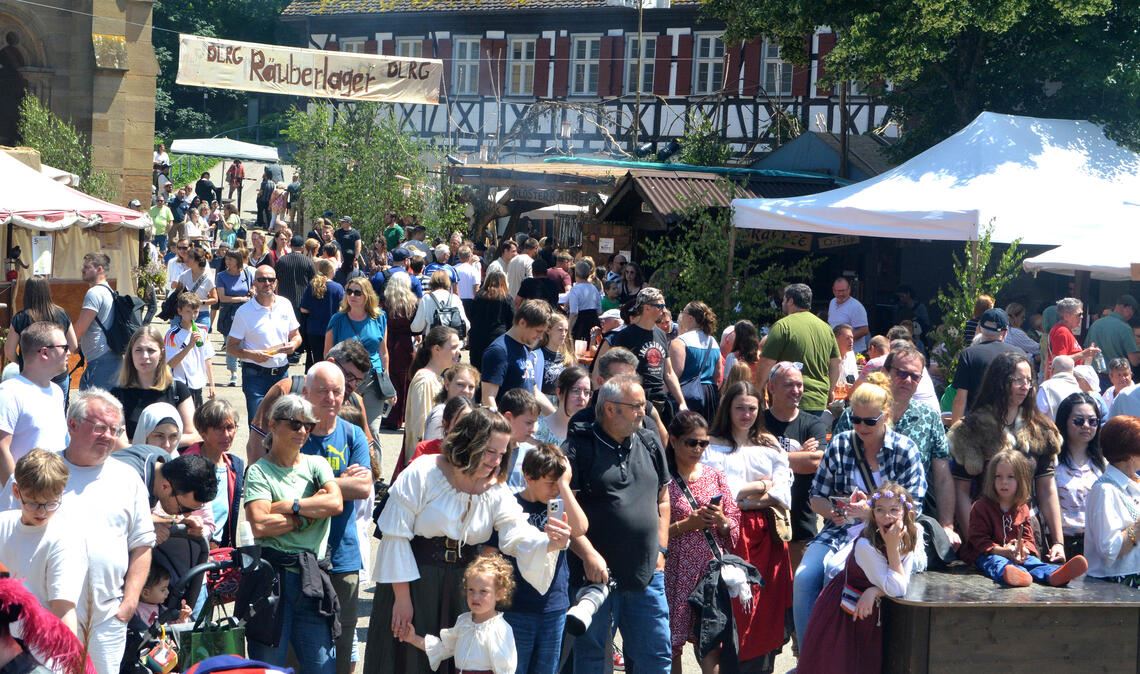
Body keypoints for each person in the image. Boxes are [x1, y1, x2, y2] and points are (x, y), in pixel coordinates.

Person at [363, 408, 570, 674]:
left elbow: (516, 531)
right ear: (469, 443)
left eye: (502, 454)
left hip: (463, 588)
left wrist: (549, 543)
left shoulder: (495, 489)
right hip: (415, 582)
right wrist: (402, 599)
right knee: (407, 659)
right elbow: (395, 537)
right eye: (490, 451)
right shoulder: (425, 472)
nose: (496, 461)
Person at [794, 374, 927, 648]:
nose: (861, 427)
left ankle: (839, 649)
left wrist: (870, 513)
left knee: (835, 571)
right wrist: (835, 510)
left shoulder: (904, 450)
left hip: (888, 536)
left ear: (886, 415)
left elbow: (913, 508)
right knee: (804, 577)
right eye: (855, 419)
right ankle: (809, 654)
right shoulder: (841, 444)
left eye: (870, 421)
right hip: (839, 530)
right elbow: (816, 497)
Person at [562, 375, 670, 671]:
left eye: (644, 405)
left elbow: (663, 498)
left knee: (655, 657)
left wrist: (661, 549)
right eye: (636, 406)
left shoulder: (649, 440)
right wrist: (588, 554)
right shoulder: (578, 447)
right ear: (610, 409)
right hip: (594, 579)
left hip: (646, 575)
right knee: (593, 660)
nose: (643, 412)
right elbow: (561, 512)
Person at [243, 395, 342, 672]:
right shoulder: (259, 471)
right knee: (269, 669)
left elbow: (335, 503)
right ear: (273, 424)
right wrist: (306, 516)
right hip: (273, 581)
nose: (303, 431)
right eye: (295, 424)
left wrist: (290, 506)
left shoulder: (316, 464)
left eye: (308, 426)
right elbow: (260, 524)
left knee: (323, 668)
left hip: (312, 580)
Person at [59, 390, 155, 674]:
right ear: (72, 425)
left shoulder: (127, 478)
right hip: (47, 615)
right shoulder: (42, 472)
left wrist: (130, 602)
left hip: (106, 619)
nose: (108, 436)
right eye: (100, 427)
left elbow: (142, 544)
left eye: (115, 430)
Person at [702, 382, 792, 667]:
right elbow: (718, 493)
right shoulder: (711, 445)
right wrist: (760, 487)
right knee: (732, 605)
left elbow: (783, 493)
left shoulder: (769, 444)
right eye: (739, 407)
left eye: (752, 408)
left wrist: (746, 495)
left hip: (767, 535)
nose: (746, 414)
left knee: (764, 605)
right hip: (727, 532)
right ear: (727, 409)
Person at [948, 351, 1066, 563]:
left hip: (1026, 532)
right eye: (1017, 380)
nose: (1025, 386)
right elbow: (961, 492)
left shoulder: (1041, 430)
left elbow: (1047, 489)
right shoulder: (970, 429)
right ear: (999, 381)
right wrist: (977, 543)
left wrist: (1058, 542)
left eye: (1028, 380)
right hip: (984, 530)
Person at [834, 345, 957, 540]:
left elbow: (942, 477)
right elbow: (834, 470)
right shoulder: (855, 416)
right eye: (901, 373)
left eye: (914, 376)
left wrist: (947, 525)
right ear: (885, 372)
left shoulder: (929, 417)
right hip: (853, 521)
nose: (908, 380)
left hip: (907, 522)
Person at [797, 482, 918, 674]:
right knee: (841, 665)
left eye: (894, 510)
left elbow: (904, 579)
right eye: (880, 510)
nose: (887, 516)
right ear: (873, 513)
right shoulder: (866, 545)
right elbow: (897, 588)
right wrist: (892, 548)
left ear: (906, 513)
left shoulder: (908, 536)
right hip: (845, 612)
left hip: (869, 608)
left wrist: (874, 591)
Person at [487, 444, 587, 674]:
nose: (555, 489)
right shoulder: (511, 506)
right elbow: (490, 554)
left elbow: (581, 528)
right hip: (516, 606)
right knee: (512, 669)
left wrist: (564, 486)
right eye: (550, 483)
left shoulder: (560, 506)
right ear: (529, 477)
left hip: (554, 606)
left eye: (558, 482)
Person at [299, 364, 372, 674]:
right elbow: (285, 487)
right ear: (306, 393)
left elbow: (363, 487)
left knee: (342, 638)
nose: (330, 398)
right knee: (300, 640)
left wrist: (315, 487)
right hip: (300, 555)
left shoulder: (353, 434)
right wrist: (341, 482)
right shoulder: (295, 433)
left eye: (337, 391)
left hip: (343, 555)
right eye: (322, 391)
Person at [665, 411, 740, 672]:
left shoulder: (714, 475)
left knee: (710, 643)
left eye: (703, 443)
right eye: (691, 442)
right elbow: (651, 530)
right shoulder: (662, 479)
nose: (698, 449)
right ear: (673, 440)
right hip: (673, 572)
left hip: (709, 572)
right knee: (670, 645)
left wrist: (721, 520)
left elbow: (734, 521)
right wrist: (687, 524)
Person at [959, 450, 1088, 587]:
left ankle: (1054, 575)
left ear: (1020, 480)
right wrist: (1003, 551)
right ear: (991, 479)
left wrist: (1023, 549)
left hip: (1015, 554)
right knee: (996, 562)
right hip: (989, 554)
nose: (1004, 482)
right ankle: (1015, 575)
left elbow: (1028, 538)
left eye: (1010, 477)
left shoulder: (1022, 508)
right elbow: (978, 540)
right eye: (998, 476)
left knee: (1033, 562)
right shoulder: (981, 507)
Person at [0, 450, 84, 634]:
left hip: (38, 643)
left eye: (51, 503)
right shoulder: (3, 523)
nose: (42, 512)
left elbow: (63, 609)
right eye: (33, 502)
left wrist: (68, 650)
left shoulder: (65, 539)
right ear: (16, 491)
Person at [395, 553, 518, 674]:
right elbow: (444, 649)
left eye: (483, 591)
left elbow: (505, 670)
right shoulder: (464, 621)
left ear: (499, 594)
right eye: (471, 590)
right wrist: (413, 639)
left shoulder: (500, 630)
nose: (475, 597)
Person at [764, 361, 829, 562]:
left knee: (799, 580)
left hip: (801, 519)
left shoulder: (813, 424)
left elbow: (815, 461)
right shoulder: (758, 422)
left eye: (799, 385)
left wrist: (767, 456)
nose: (796, 390)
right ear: (771, 387)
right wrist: (799, 454)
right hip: (763, 518)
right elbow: (749, 461)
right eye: (789, 385)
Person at [593, 287, 686, 422]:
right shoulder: (625, 336)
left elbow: (669, 373)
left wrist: (682, 402)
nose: (664, 310)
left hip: (659, 399)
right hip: (635, 401)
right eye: (660, 306)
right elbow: (612, 371)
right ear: (647, 308)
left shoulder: (661, 334)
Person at [226, 265, 302, 424]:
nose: (267, 283)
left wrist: (293, 345)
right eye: (262, 279)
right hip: (255, 376)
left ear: (276, 283)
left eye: (271, 280)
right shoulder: (244, 312)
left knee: (282, 424)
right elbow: (231, 347)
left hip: (281, 373)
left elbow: (296, 336)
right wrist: (252, 355)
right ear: (254, 283)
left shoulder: (285, 304)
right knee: (258, 425)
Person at [0, 322, 69, 491]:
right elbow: (1, 448)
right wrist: (17, 495)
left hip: (51, 494)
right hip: (24, 497)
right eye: (64, 347)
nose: (69, 352)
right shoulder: (9, 392)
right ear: (44, 352)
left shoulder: (57, 391)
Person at [758, 284, 842, 415]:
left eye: (784, 300)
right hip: (818, 400)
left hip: (788, 400)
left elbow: (766, 363)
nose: (782, 303)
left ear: (790, 301)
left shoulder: (782, 326)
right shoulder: (826, 328)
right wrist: (830, 390)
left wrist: (757, 390)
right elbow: (836, 363)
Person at [326, 277, 390, 440]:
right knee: (346, 427)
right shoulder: (337, 319)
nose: (352, 296)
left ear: (367, 295)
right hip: (346, 381)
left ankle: (373, 458)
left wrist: (386, 381)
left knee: (372, 431)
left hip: (373, 380)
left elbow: (383, 352)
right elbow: (327, 354)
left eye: (357, 292)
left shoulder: (379, 317)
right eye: (349, 292)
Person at [112, 326, 198, 447]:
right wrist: (152, 444)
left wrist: (152, 442)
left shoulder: (178, 390)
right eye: (138, 350)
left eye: (151, 350)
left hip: (171, 458)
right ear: (131, 354)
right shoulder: (117, 395)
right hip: (134, 458)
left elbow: (193, 436)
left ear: (162, 353)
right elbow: (120, 442)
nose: (144, 356)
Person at [181, 399, 245, 548]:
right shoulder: (186, 466)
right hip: (191, 548)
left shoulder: (234, 466)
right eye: (219, 429)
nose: (226, 434)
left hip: (220, 551)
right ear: (202, 432)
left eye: (230, 427)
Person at [396, 326, 461, 474]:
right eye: (453, 347)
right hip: (423, 462)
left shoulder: (437, 378)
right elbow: (421, 427)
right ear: (436, 349)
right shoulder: (425, 380)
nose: (458, 352)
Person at [1084, 415, 1140, 585]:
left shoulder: (1134, 483)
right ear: (1130, 454)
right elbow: (1109, 550)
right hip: (1116, 585)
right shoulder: (1104, 490)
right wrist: (1138, 527)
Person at [1052, 392, 1105, 559]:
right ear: (1064, 422)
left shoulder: (1104, 463)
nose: (1086, 426)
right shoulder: (1051, 462)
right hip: (1061, 546)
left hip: (1097, 546)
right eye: (1079, 421)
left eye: (1093, 421)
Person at [949, 307, 1023, 424]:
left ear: (979, 328)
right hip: (1010, 423)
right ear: (1005, 332)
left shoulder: (969, 354)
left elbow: (960, 399)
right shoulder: (1019, 354)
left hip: (977, 425)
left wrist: (954, 430)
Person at [482, 300, 554, 413]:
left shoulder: (524, 348)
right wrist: (500, 424)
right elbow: (488, 398)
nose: (540, 337)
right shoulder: (499, 351)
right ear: (522, 323)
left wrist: (555, 416)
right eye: (538, 331)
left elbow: (534, 391)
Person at [395, 397, 476, 482]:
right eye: (462, 423)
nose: (467, 429)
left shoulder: (476, 454)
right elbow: (411, 481)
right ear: (445, 424)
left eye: (471, 423)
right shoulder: (425, 449)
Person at [75, 253, 124, 392]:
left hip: (100, 359)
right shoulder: (109, 290)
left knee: (92, 402)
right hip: (109, 357)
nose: (83, 269)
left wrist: (68, 345)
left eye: (87, 267)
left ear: (100, 269)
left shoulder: (94, 293)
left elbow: (80, 329)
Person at [670, 301, 721, 423]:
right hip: (710, 395)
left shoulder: (680, 342)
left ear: (690, 318)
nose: (681, 315)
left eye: (683, 312)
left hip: (687, 396)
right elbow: (717, 374)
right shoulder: (713, 342)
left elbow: (674, 374)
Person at [381, 273, 419, 432]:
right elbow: (417, 328)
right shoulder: (413, 302)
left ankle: (390, 417)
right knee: (405, 382)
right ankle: (402, 417)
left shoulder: (385, 302)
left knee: (390, 379)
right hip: (405, 344)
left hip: (388, 341)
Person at [301, 258, 345, 369]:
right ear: (331, 271)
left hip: (314, 329)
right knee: (332, 361)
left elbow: (303, 309)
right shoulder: (338, 288)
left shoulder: (312, 285)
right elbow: (343, 308)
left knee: (317, 361)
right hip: (332, 330)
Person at [467, 271, 515, 372]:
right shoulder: (506, 298)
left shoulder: (478, 296)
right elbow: (512, 320)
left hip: (477, 337)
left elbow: (471, 315)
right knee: (495, 370)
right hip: (498, 338)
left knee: (476, 370)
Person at [534, 366, 591, 446]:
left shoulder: (589, 434)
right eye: (575, 391)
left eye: (587, 392)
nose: (582, 397)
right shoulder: (536, 430)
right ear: (559, 393)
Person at [422, 364, 480, 442]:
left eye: (471, 387)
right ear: (447, 385)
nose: (466, 390)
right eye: (460, 384)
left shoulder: (471, 414)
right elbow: (433, 447)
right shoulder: (440, 414)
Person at [1085, 294, 1140, 377]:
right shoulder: (1125, 328)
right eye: (1133, 310)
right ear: (1127, 307)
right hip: (1116, 378)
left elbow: (1086, 351)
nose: (1132, 314)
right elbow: (1134, 361)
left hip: (1093, 375)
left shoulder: (1095, 324)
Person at [1047, 298, 1101, 373]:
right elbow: (1059, 362)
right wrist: (1083, 354)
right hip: (1064, 378)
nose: (1082, 317)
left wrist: (1086, 355)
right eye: (1079, 314)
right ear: (1066, 316)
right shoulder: (1061, 331)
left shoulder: (1065, 330)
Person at [410, 271, 469, 337]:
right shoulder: (455, 298)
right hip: (452, 340)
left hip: (434, 340)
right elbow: (467, 325)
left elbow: (416, 327)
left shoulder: (426, 298)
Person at [173, 247, 218, 330]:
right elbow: (177, 295)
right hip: (185, 314)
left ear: (197, 261)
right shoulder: (183, 276)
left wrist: (200, 302)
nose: (186, 259)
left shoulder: (208, 278)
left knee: (200, 337)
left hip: (202, 314)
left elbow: (215, 299)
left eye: (190, 257)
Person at [538, 313, 575, 397]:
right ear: (548, 330)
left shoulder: (567, 357)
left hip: (561, 400)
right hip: (542, 400)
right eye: (560, 330)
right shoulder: (537, 355)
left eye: (566, 330)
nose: (564, 334)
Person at [828, 276, 869, 353]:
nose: (841, 293)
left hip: (854, 352)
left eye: (843, 291)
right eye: (838, 291)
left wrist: (843, 340)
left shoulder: (856, 306)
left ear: (849, 289)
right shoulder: (832, 302)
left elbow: (864, 330)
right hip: (837, 351)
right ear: (833, 290)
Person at [722, 320, 764, 390]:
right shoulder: (761, 356)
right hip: (756, 394)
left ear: (738, 337)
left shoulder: (732, 357)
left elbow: (727, 383)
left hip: (738, 394)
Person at [333, 216, 362, 285]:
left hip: (351, 259)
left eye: (343, 222)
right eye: (341, 221)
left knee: (354, 277)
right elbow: (334, 243)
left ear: (349, 223)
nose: (341, 223)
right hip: (340, 258)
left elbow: (358, 246)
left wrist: (356, 258)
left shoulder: (355, 233)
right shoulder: (338, 232)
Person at [453, 245, 480, 317]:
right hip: (470, 303)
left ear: (459, 256)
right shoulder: (474, 270)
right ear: (470, 256)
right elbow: (476, 290)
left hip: (456, 301)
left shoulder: (453, 269)